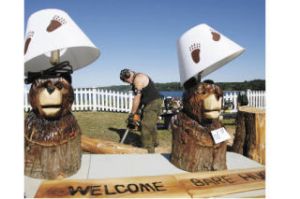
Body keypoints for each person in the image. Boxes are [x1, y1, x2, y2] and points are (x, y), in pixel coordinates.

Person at [120, 68, 162, 153]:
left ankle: (147, 150)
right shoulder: (137, 77)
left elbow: (137, 98)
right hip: (151, 102)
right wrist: (137, 112)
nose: (128, 83)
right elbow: (141, 97)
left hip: (153, 103)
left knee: (145, 125)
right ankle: (155, 143)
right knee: (151, 124)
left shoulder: (138, 80)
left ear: (127, 77)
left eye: (126, 81)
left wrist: (132, 114)